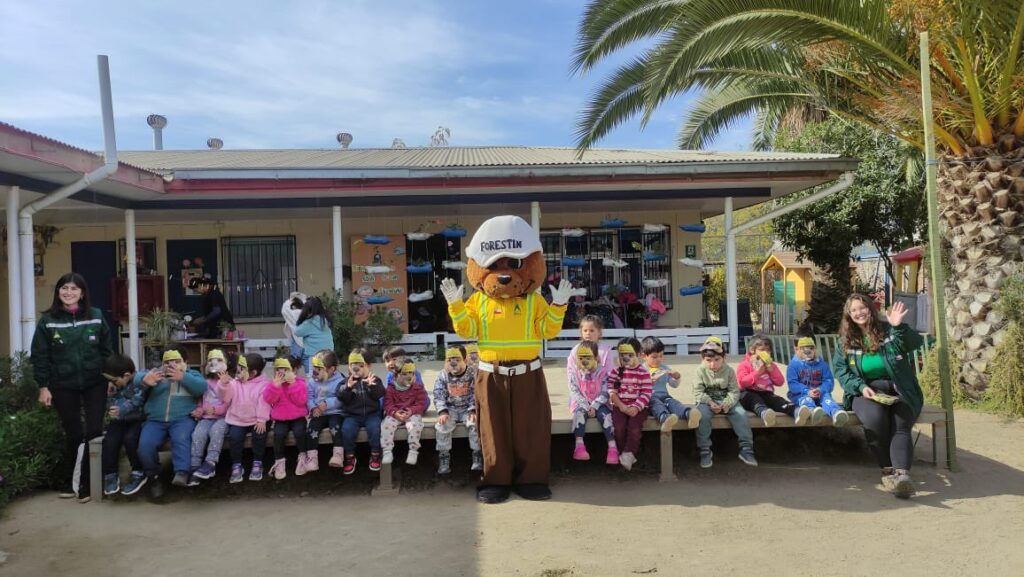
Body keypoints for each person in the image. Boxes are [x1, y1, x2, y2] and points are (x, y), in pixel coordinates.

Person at [31, 272, 113, 502]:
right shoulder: (48, 321)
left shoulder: (96, 316)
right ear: (58, 292)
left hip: (95, 382)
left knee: (94, 431)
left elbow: (107, 351)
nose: (69, 292)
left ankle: (88, 483)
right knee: (74, 433)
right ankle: (72, 481)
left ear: (82, 293)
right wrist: (43, 387)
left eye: (74, 288)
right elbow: (40, 356)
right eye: (64, 288)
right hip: (62, 384)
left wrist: (110, 378)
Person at [832, 296, 924, 499]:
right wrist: (860, 386)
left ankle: (902, 476)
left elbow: (914, 343)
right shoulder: (845, 340)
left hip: (899, 387)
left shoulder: (889, 330)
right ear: (849, 315)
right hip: (866, 390)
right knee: (875, 420)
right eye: (854, 310)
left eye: (862, 307)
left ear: (870, 309)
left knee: (901, 423)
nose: (859, 313)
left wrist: (899, 327)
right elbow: (840, 370)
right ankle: (887, 470)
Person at [136, 347, 207, 499]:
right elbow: (137, 378)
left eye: (177, 361)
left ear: (185, 362)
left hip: (183, 418)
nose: (172, 365)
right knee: (145, 445)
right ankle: (154, 477)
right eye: (168, 362)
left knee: (181, 438)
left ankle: (182, 472)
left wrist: (183, 377)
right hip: (155, 420)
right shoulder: (157, 374)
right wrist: (145, 379)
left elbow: (201, 387)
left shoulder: (192, 374)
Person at [693, 336, 756, 468]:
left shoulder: (729, 371)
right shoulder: (700, 371)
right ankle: (704, 448)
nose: (713, 364)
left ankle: (746, 448)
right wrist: (710, 402)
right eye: (708, 360)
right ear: (702, 359)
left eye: (717, 360)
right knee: (702, 416)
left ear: (724, 357)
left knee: (741, 414)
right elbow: (697, 392)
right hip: (706, 402)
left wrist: (727, 403)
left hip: (726, 400)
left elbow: (734, 391)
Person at [736, 335, 811, 427]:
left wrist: (771, 370)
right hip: (748, 393)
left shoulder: (771, 365)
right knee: (755, 399)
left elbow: (780, 382)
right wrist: (757, 373)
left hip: (766, 393)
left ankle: (796, 411)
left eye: (768, 350)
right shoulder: (745, 365)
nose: (766, 353)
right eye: (762, 350)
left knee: (777, 400)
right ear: (752, 350)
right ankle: (765, 414)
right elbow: (742, 382)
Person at [101, 354, 148, 497]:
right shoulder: (115, 386)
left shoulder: (140, 381)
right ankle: (110, 474)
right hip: (120, 420)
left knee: (130, 439)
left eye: (114, 380)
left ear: (126, 375)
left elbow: (138, 400)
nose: (112, 383)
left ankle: (138, 472)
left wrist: (121, 410)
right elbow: (111, 406)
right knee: (109, 440)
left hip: (138, 419)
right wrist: (110, 396)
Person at [566, 340, 617, 465]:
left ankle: (612, 447)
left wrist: (594, 405)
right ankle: (579, 446)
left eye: (588, 357)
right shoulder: (575, 372)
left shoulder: (602, 372)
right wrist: (585, 405)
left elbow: (605, 391)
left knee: (606, 417)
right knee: (579, 415)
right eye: (581, 358)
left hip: (600, 402)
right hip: (581, 402)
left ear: (596, 358)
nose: (584, 361)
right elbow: (574, 390)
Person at [606, 338, 653, 471]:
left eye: (630, 355)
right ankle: (624, 453)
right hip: (619, 406)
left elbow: (646, 392)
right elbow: (611, 391)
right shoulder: (616, 372)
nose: (626, 358)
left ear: (639, 355)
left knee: (634, 428)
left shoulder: (643, 372)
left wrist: (636, 407)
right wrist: (621, 406)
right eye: (622, 355)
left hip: (638, 408)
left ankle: (629, 453)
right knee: (619, 428)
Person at [433, 346, 481, 474]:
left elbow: (476, 393)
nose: (453, 363)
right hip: (450, 408)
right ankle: (444, 455)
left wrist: (472, 409)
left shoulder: (472, 374)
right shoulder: (443, 375)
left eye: (457, 359)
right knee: (442, 425)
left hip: (467, 408)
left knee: (475, 424)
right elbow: (438, 394)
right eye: (449, 360)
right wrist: (442, 411)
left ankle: (477, 454)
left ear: (465, 360)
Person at [223, 353, 271, 483]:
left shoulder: (264, 384)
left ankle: (257, 461)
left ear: (253, 373)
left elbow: (264, 403)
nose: (238, 371)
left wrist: (262, 419)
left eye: (242, 369)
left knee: (259, 435)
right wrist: (224, 385)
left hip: (257, 419)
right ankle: (237, 464)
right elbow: (226, 398)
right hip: (238, 419)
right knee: (235, 437)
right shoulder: (234, 383)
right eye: (238, 367)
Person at [188, 349, 233, 485]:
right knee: (198, 433)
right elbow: (201, 401)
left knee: (216, 431)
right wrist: (199, 411)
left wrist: (216, 409)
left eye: (219, 360)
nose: (214, 363)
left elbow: (229, 402)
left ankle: (210, 463)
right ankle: (195, 465)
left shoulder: (229, 382)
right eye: (211, 361)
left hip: (224, 418)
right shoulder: (205, 382)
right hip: (206, 417)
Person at [337, 348, 385, 475]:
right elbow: (342, 397)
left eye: (360, 365)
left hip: (372, 414)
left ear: (369, 366)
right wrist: (348, 388)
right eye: (352, 365)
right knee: (346, 430)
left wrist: (372, 386)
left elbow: (380, 394)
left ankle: (375, 454)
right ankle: (350, 456)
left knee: (375, 428)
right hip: (352, 416)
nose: (356, 369)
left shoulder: (375, 380)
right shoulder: (346, 382)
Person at [641, 336, 701, 432]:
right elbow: (637, 388)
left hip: (664, 396)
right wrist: (648, 383)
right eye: (654, 357)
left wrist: (676, 377)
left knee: (673, 402)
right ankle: (665, 419)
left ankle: (689, 414)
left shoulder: (664, 368)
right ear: (644, 356)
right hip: (649, 398)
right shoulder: (641, 370)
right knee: (656, 404)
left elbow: (674, 385)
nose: (659, 359)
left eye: (661, 356)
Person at [263, 356, 309, 480]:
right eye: (279, 369)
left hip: (298, 417)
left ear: (294, 370)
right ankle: (279, 461)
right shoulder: (273, 384)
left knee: (300, 432)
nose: (282, 372)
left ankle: (303, 456)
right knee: (278, 434)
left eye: (286, 369)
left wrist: (293, 384)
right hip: (281, 418)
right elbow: (269, 399)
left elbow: (301, 401)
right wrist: (275, 387)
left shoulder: (300, 383)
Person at [787, 336, 849, 426]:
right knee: (806, 400)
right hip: (801, 394)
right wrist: (807, 391)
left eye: (811, 348)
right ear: (798, 350)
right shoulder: (793, 365)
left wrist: (821, 390)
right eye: (803, 348)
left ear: (815, 349)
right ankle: (813, 412)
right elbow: (793, 384)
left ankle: (836, 413)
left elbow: (829, 381)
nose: (808, 351)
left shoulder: (822, 365)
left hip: (819, 392)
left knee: (827, 399)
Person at [380, 361, 429, 466]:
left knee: (416, 424)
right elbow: (388, 404)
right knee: (386, 424)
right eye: (404, 374)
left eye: (411, 373)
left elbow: (421, 403)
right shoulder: (391, 388)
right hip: (396, 413)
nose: (409, 376)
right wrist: (394, 413)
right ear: (396, 375)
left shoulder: (418, 387)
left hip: (411, 413)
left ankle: (413, 450)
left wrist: (412, 411)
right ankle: (387, 450)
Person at [305, 350, 346, 469]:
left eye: (319, 369)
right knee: (312, 429)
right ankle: (312, 459)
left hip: (335, 413)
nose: (315, 371)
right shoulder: (312, 381)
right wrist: (313, 408)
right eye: (315, 367)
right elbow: (309, 397)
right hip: (319, 413)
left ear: (331, 369)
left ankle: (338, 455)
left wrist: (327, 403)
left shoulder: (340, 380)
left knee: (335, 427)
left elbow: (341, 398)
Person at [292, 296, 334, 374]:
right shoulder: (325, 320)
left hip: (314, 354)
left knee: (314, 374)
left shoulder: (309, 323)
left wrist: (301, 319)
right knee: (327, 373)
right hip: (328, 353)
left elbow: (297, 332)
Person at [281, 291, 307, 358]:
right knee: (307, 362)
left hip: (296, 341)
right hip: (307, 343)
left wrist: (291, 298)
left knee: (294, 361)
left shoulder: (293, 313)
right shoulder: (307, 313)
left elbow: (284, 309)